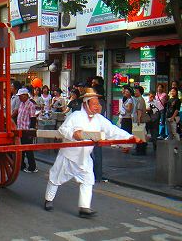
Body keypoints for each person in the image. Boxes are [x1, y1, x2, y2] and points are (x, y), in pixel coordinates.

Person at [44, 88, 138, 218]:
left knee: (88, 180)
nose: (97, 107)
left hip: (85, 157)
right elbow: (62, 130)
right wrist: (74, 134)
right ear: (86, 104)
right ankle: (49, 199)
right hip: (69, 155)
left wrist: (129, 138)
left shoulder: (99, 119)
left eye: (98, 104)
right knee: (55, 178)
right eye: (94, 104)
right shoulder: (75, 116)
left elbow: (112, 130)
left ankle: (84, 208)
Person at [16, 87, 38, 173]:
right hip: (20, 128)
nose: (19, 98)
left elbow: (33, 118)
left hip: (26, 129)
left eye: (21, 96)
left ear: (25, 96)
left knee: (28, 149)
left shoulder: (30, 105)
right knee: (21, 148)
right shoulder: (21, 104)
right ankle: (22, 165)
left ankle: (32, 167)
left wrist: (31, 131)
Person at [133, 85, 147, 155]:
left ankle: (141, 150)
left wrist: (138, 119)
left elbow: (139, 110)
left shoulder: (140, 100)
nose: (135, 92)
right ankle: (140, 150)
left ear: (140, 92)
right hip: (139, 120)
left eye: (136, 91)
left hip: (140, 121)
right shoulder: (139, 99)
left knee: (139, 135)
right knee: (140, 135)